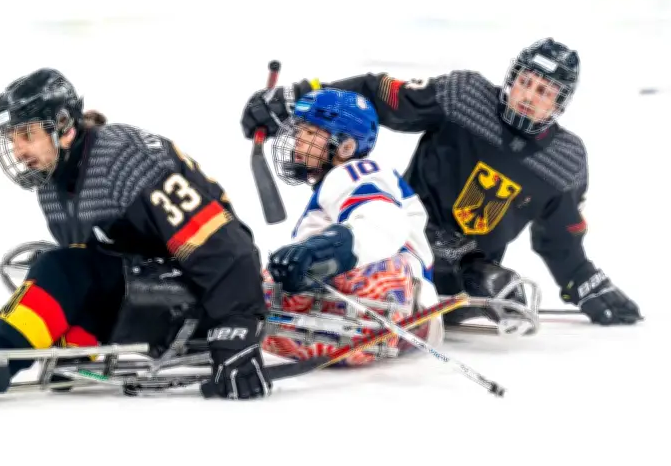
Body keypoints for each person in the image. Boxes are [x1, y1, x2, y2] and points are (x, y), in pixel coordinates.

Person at [240, 38, 642, 327]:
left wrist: (584, 282)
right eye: (524, 81)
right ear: (512, 77)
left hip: (464, 274)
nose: (528, 96)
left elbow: (559, 241)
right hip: (403, 236)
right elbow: (377, 95)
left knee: (490, 280)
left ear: (560, 103)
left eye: (544, 91)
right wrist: (298, 101)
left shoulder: (566, 160)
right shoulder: (464, 97)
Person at [0, 68, 271, 402]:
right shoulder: (51, 185)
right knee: (58, 268)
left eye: (26, 135)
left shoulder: (124, 160)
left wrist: (238, 327)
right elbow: (99, 267)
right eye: (12, 139)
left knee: (58, 267)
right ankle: (67, 346)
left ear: (63, 126)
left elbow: (225, 246)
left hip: (213, 293)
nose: (18, 150)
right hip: (156, 288)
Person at [259, 87, 444, 365]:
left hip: (402, 303)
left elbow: (383, 221)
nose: (298, 141)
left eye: (310, 133)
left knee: (258, 287)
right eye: (299, 132)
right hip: (395, 312)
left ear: (345, 147)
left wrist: (320, 250)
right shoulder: (337, 183)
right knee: (275, 275)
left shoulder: (355, 172)